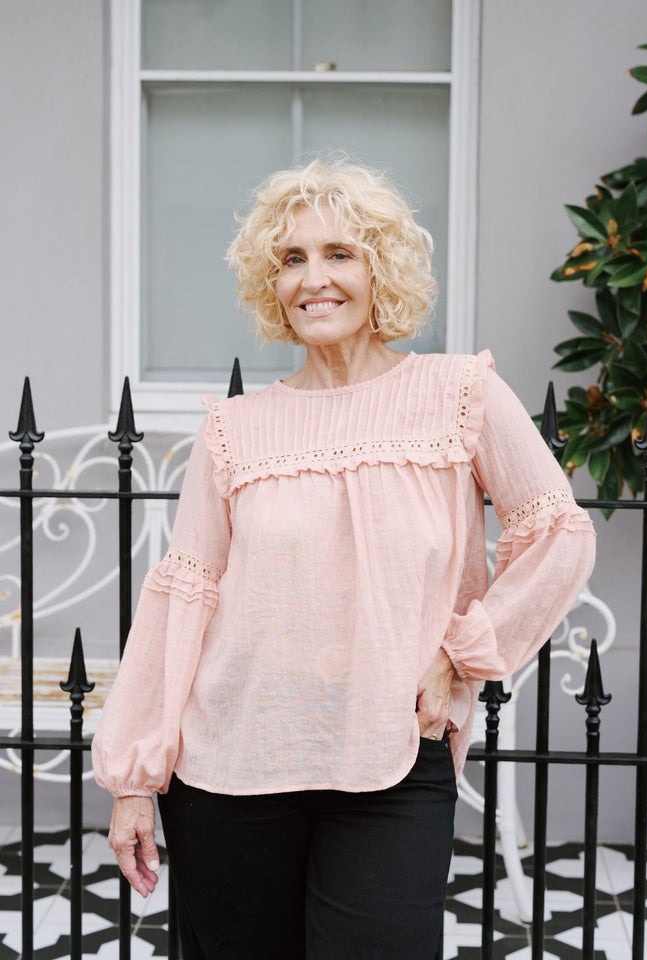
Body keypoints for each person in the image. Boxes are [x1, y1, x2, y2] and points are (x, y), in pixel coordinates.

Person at [92, 158, 596, 959]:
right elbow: (185, 596)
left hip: (391, 758)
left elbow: (557, 533)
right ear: (272, 284)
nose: (314, 279)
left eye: (340, 253)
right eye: (292, 259)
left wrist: (460, 656)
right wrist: (133, 781)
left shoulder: (460, 394)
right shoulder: (233, 431)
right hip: (231, 768)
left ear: (380, 269)